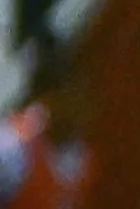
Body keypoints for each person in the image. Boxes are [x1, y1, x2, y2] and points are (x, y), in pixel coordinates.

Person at [0, 33, 92, 209]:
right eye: (70, 98)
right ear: (48, 99)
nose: (79, 110)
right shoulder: (11, 146)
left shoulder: (78, 158)